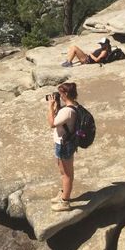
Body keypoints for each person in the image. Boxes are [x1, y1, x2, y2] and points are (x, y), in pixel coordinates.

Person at [47, 82, 79, 211]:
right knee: (63, 172)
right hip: (63, 143)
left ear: (65, 94)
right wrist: (56, 107)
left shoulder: (67, 111)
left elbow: (52, 123)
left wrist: (50, 107)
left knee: (67, 174)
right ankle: (63, 193)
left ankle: (65, 202)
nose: (59, 96)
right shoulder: (72, 107)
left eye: (60, 94)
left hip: (64, 145)